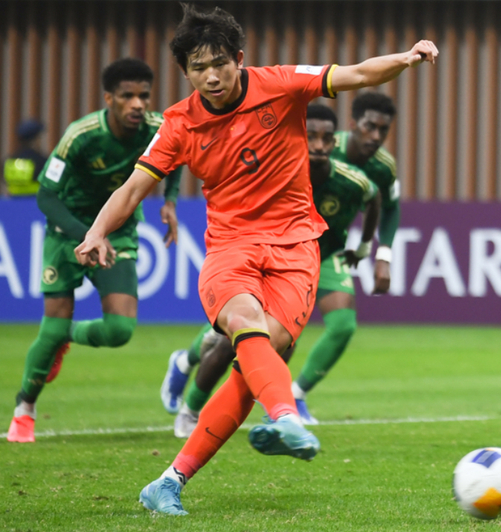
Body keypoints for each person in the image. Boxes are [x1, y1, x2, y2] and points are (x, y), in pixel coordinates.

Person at [74, 3, 437, 515]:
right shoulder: (178, 124)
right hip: (231, 248)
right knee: (246, 324)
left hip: (297, 247)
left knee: (257, 360)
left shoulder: (281, 85)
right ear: (185, 72)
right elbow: (133, 188)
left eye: (220, 63)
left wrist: (407, 57)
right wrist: (95, 232)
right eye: (198, 67)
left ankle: (169, 481)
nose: (211, 76)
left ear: (239, 59)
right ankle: (286, 416)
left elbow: (356, 74)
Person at [161, 103, 381, 437]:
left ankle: (289, 401)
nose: (318, 145)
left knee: (297, 339)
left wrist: (365, 246)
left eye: (325, 138)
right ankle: (190, 407)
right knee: (231, 342)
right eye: (310, 136)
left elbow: (375, 198)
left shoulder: (351, 180)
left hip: (320, 255)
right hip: (269, 256)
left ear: (334, 142)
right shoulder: (274, 168)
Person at [6, 58, 182, 444]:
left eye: (144, 96)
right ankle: (24, 410)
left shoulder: (158, 129)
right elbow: (46, 196)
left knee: (119, 330)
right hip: (66, 232)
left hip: (118, 233)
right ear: (109, 98)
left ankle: (63, 335)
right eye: (128, 96)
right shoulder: (80, 135)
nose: (138, 104)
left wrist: (170, 200)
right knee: (51, 322)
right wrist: (86, 234)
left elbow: (179, 156)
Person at [293, 92, 399, 422]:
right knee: (233, 331)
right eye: (369, 126)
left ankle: (295, 395)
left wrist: (381, 254)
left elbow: (389, 206)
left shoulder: (383, 167)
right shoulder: (320, 146)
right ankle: (187, 362)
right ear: (353, 124)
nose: (376, 136)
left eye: (383, 130)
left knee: (343, 325)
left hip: (328, 250)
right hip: (287, 248)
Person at [2, 119, 48, 197]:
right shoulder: (42, 161)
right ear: (36, 139)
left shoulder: (8, 162)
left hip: (13, 202)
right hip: (35, 201)